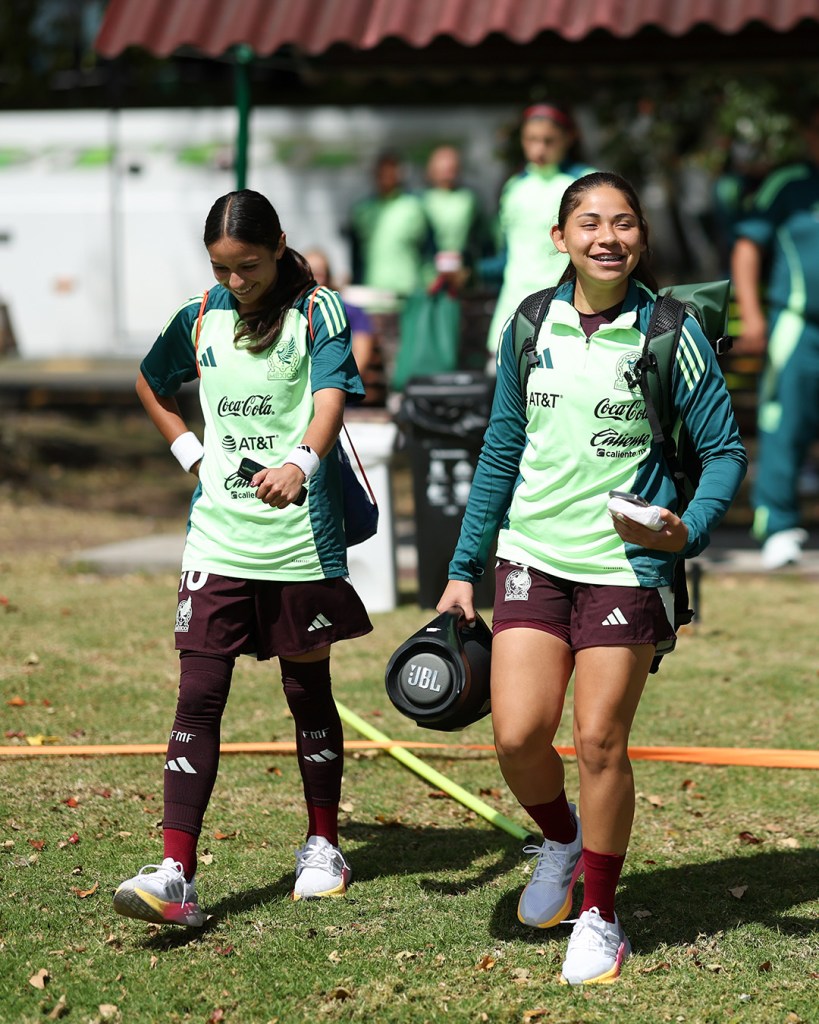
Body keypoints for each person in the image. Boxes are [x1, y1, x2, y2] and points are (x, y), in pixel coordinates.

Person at [437, 172, 746, 984]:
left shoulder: (669, 332)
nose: (606, 237)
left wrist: (689, 531)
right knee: (515, 735)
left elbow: (723, 452)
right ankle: (561, 839)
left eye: (622, 224)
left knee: (600, 738)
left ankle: (602, 916)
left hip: (624, 567)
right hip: (530, 556)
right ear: (560, 236)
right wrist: (464, 569)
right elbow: (501, 450)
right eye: (588, 223)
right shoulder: (529, 323)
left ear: (641, 238)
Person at [113, 189, 372, 927]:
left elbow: (329, 399)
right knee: (197, 695)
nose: (236, 281)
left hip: (297, 543)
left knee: (306, 692)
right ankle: (175, 873)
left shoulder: (315, 311)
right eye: (223, 268)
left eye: (248, 266)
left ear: (280, 245)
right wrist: (190, 451)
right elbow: (149, 381)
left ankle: (324, 845)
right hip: (218, 538)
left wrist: (300, 463)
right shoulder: (199, 315)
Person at [731, 101, 819, 569]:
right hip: (798, 324)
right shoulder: (787, 186)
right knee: (784, 424)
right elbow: (747, 248)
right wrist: (752, 316)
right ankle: (779, 527)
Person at [482, 102, 594, 357]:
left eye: (548, 140)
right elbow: (507, 257)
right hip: (512, 311)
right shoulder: (513, 186)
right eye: (531, 139)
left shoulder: (586, 182)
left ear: (567, 139)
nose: (539, 148)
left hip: (567, 312)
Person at [347, 150, 432, 298]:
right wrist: (356, 282)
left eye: (391, 171)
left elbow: (429, 248)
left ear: (400, 174)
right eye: (382, 172)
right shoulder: (361, 210)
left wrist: (428, 282)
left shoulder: (415, 207)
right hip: (372, 292)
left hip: (409, 291)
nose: (387, 176)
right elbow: (356, 256)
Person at [304, 247, 376, 383]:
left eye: (319, 273)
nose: (313, 278)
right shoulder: (292, 310)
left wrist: (341, 385)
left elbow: (362, 353)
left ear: (328, 276)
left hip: (337, 385)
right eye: (308, 272)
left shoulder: (350, 311)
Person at [421, 144, 488, 280]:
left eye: (451, 166)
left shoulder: (469, 199)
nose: (448, 171)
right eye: (443, 166)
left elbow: (481, 238)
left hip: (463, 273)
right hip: (428, 275)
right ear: (431, 170)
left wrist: (472, 268)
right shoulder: (421, 201)